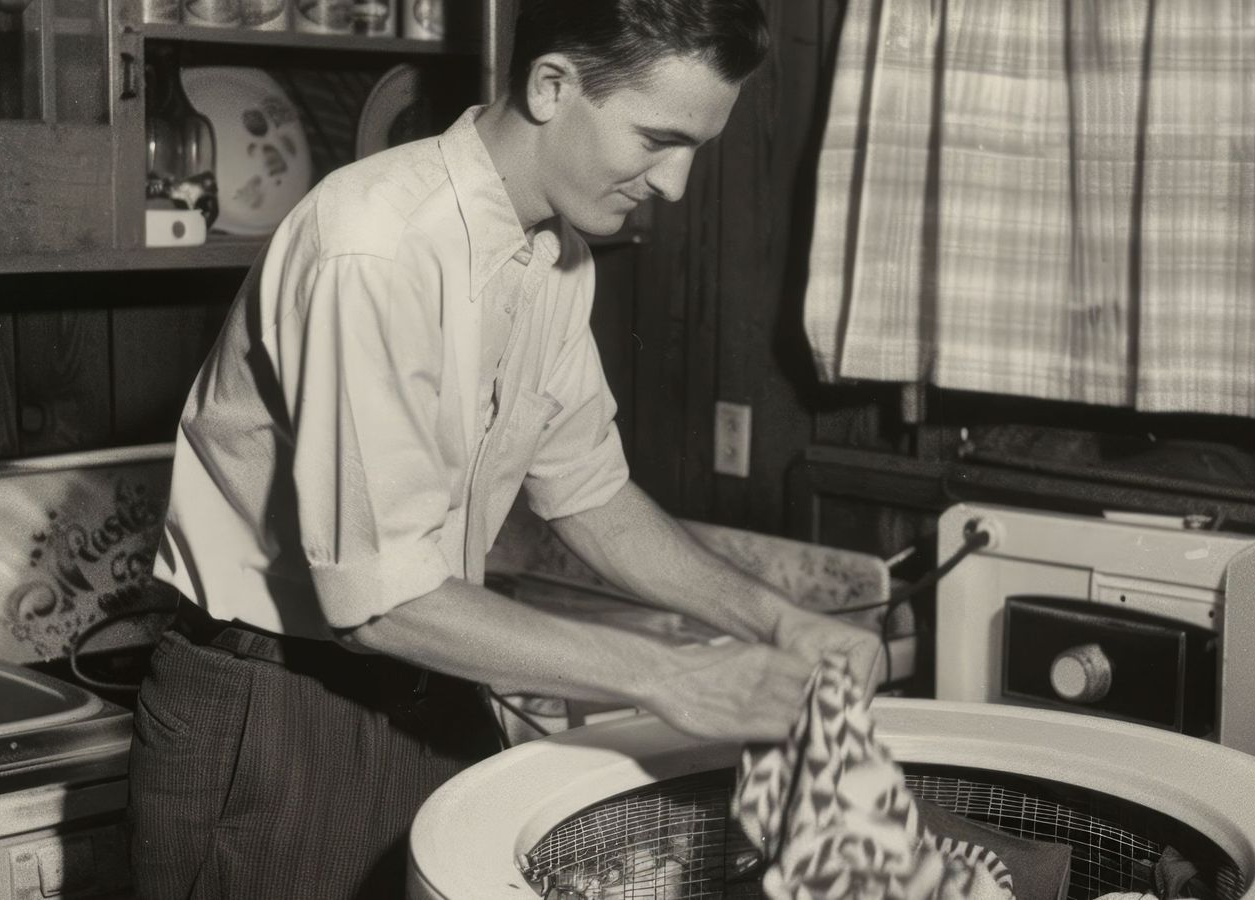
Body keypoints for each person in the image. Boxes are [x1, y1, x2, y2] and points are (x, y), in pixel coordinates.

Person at [127, 0, 888, 896]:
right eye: (656, 139)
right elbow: (378, 602)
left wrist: (777, 620)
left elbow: (591, 493)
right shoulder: (375, 247)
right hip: (276, 714)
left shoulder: (556, 256)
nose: (676, 184)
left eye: (697, 148)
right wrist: (670, 677)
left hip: (434, 691)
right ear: (551, 85)